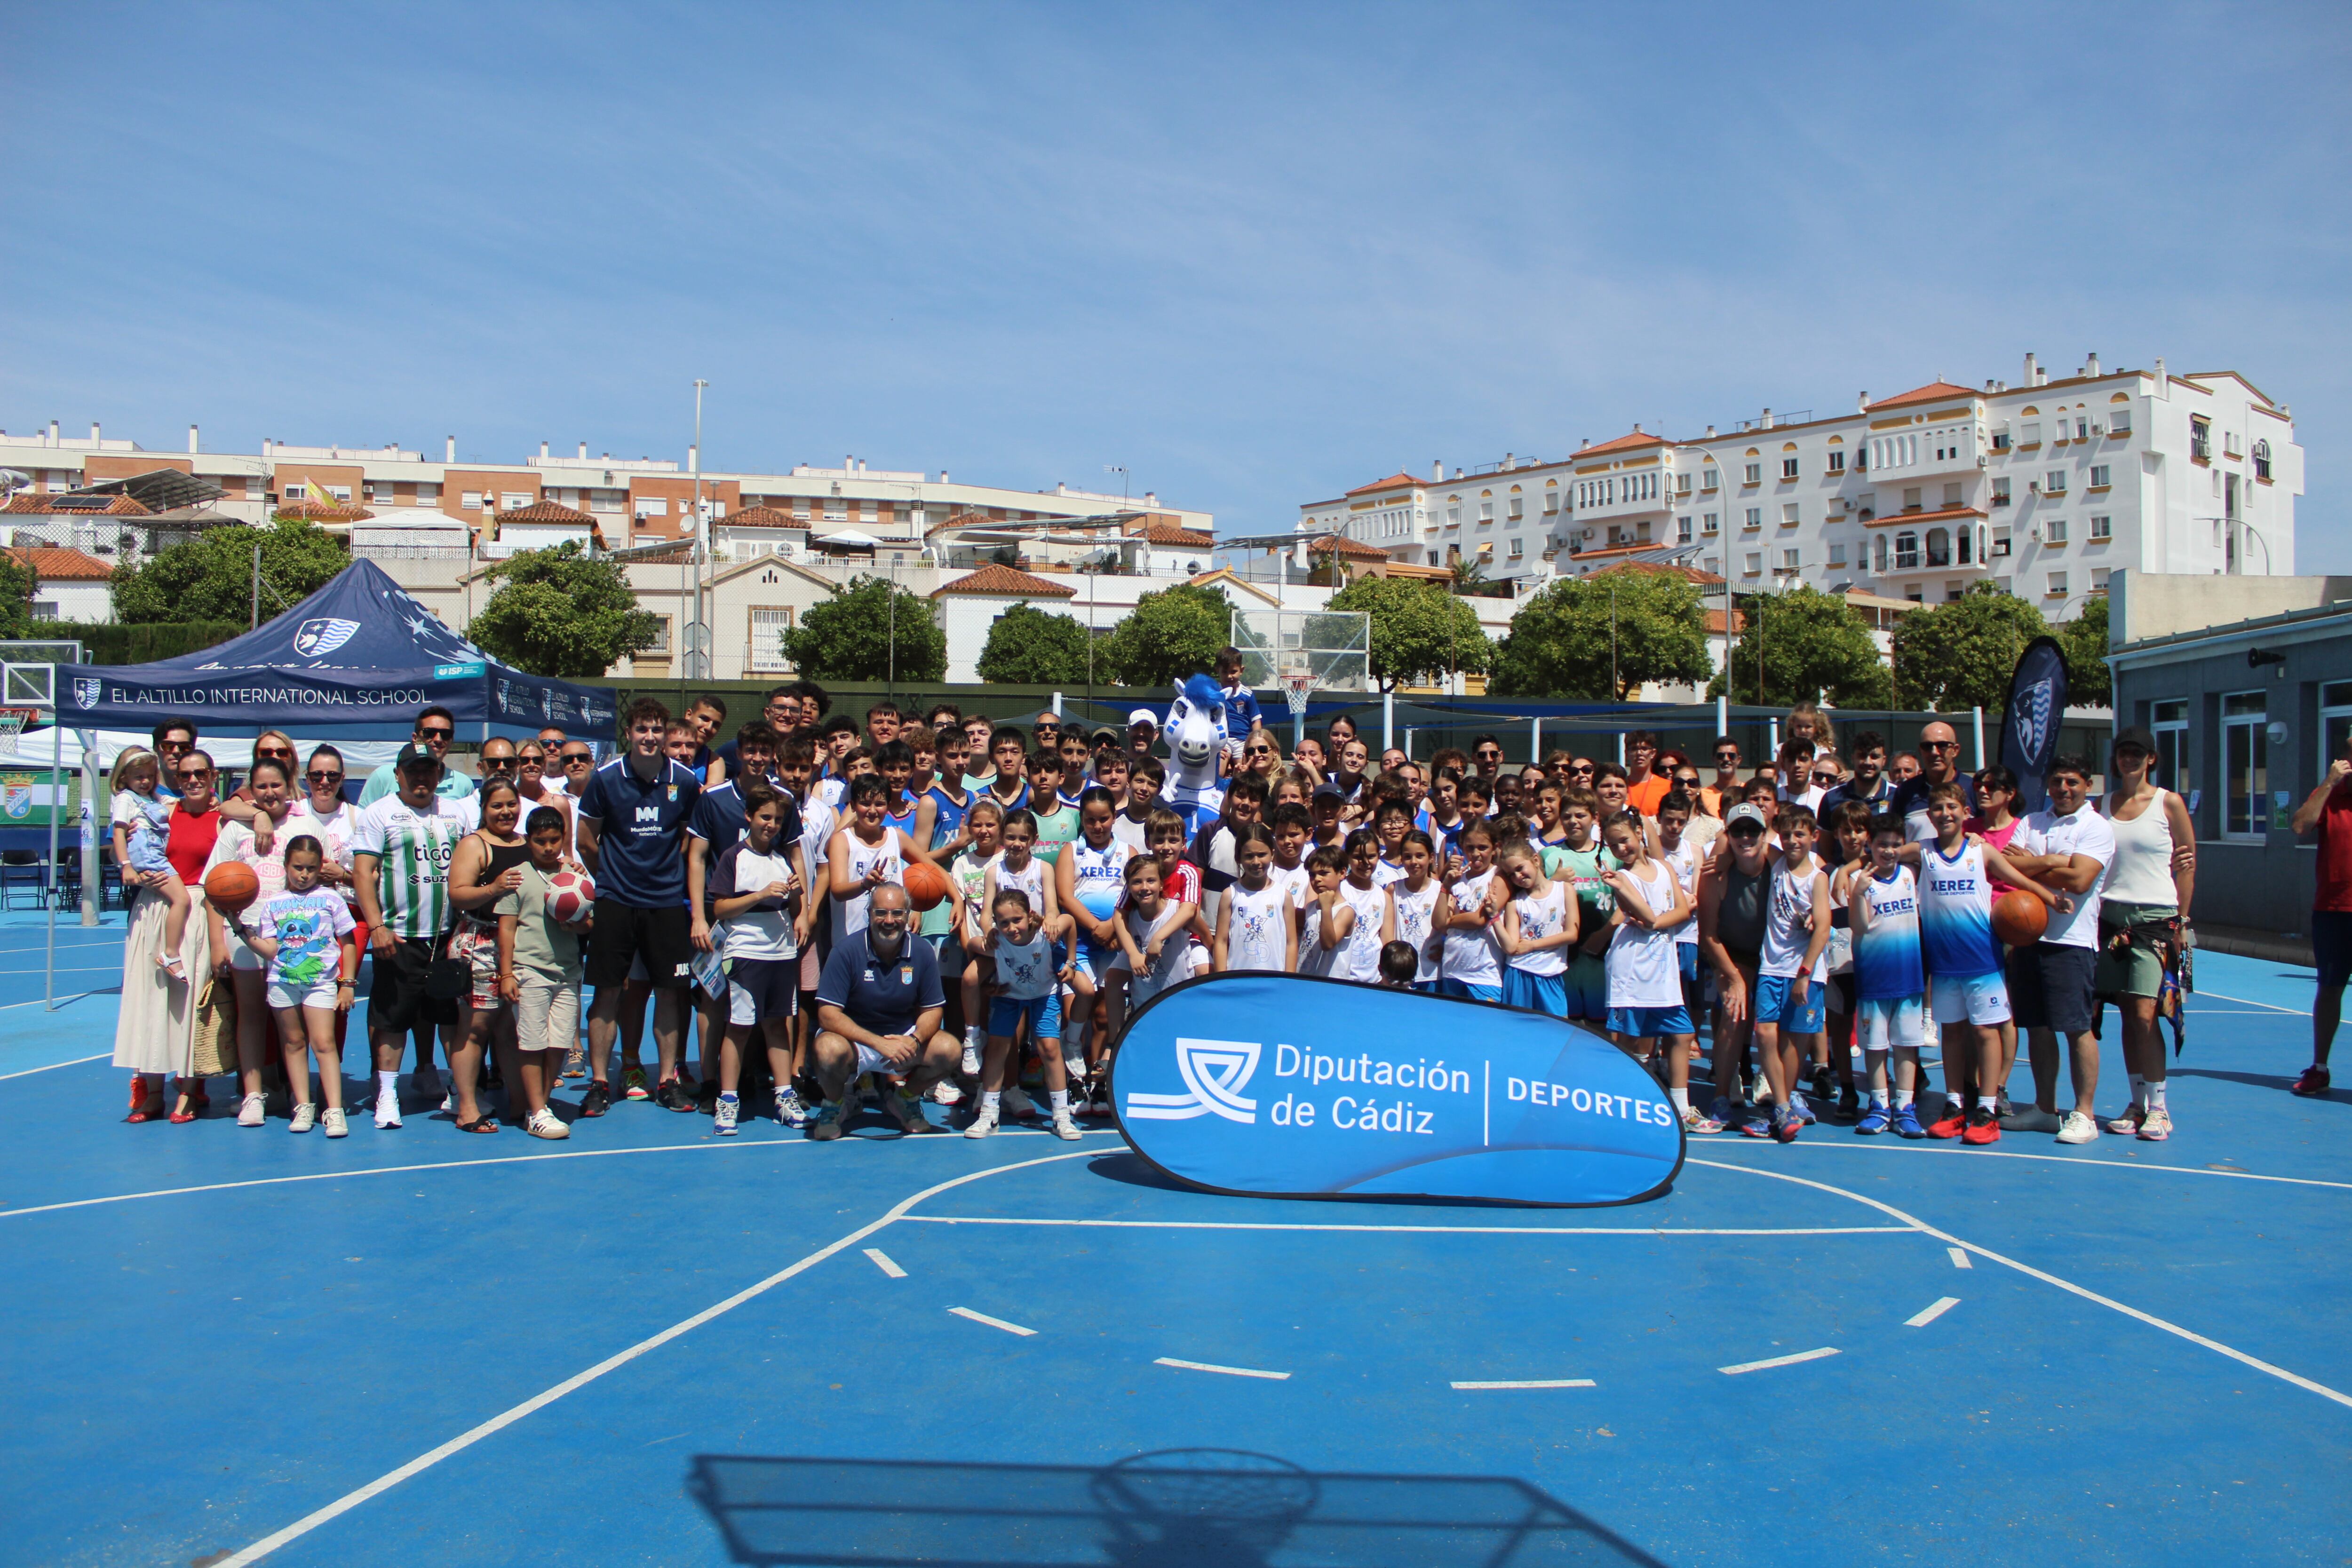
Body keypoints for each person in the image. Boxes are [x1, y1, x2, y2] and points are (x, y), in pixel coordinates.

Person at [576, 697, 705, 1115]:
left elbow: (692, 837)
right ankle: (599, 1082)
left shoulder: (683, 781)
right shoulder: (605, 779)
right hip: (616, 900)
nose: (649, 737)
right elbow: (585, 840)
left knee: (671, 992)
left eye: (656, 730)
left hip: (667, 902)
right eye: (641, 729)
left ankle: (667, 1079)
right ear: (628, 734)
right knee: (609, 991)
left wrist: (666, 870)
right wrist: (613, 876)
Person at [1919, 782, 2062, 1144]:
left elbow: (2018, 878)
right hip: (1945, 963)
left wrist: (2049, 898)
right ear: (1930, 816)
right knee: (1952, 1033)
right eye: (1938, 808)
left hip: (1982, 959)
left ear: (1966, 812)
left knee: (1986, 1031)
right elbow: (1883, 851)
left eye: (1952, 806)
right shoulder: (1922, 852)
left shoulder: (1980, 852)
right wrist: (1850, 868)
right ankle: (1954, 1105)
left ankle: (1987, 1107)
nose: (1945, 814)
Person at [1996, 757, 2117, 1143]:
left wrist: (2030, 867)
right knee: (2037, 1026)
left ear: (2088, 785)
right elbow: (2004, 866)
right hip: (2030, 939)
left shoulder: (2096, 827)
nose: (2063, 788)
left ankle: (2085, 1113)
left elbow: (2080, 880)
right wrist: (2051, 861)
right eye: (2056, 781)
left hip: (2072, 942)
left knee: (2077, 1028)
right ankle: (2046, 1109)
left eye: (2072, 781)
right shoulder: (2032, 821)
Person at [351, 743, 469, 1130]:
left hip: (448, 935)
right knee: (393, 1017)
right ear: (398, 774)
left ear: (439, 773)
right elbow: (363, 874)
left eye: (429, 770)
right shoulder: (379, 813)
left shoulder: (456, 812)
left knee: (452, 1017)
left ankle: (459, 1088)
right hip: (399, 935)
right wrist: (377, 926)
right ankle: (387, 1093)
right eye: (413, 771)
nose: (422, 777)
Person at [2093, 730, 2197, 1139]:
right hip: (2110, 919)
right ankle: (2137, 1103)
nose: (2129, 760)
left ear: (2151, 758)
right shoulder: (2100, 806)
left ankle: (2160, 1107)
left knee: (2145, 1013)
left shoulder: (2168, 802)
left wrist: (2182, 922)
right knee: (2125, 1014)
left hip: (2155, 920)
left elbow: (2186, 864)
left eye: (2137, 753)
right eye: (2123, 753)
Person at [224, 834, 359, 1138]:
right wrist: (241, 930)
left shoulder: (331, 898)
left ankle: (334, 1110)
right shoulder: (274, 903)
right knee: (293, 1043)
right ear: (286, 865)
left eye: (311, 868)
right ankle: (303, 1105)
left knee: (324, 1043)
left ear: (320, 867)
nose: (304, 874)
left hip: (321, 983)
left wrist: (348, 983)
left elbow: (348, 942)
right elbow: (272, 949)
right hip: (283, 983)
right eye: (298, 867)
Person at [113, 750, 221, 1123]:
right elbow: (131, 847)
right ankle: (153, 1092)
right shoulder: (162, 808)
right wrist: (132, 870)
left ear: (213, 776)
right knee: (152, 1001)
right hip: (152, 907)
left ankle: (189, 1091)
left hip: (195, 908)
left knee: (189, 1005)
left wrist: (254, 814)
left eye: (201, 773)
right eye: (186, 774)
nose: (193, 780)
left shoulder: (224, 817)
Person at [807, 884, 952, 1139]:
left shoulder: (922, 951)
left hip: (903, 1038)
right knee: (826, 1050)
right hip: (856, 1041)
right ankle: (834, 1105)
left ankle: (905, 1099)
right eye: (881, 913)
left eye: (897, 913)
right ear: (869, 914)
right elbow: (828, 1014)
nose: (889, 921)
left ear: (908, 915)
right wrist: (877, 1043)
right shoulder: (846, 950)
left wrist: (914, 1040)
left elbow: (933, 1010)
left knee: (949, 1050)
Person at [706, 785, 809, 1136]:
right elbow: (720, 908)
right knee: (739, 1026)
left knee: (777, 1024)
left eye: (778, 819)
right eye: (766, 817)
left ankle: (784, 1096)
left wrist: (796, 900)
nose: (772, 824)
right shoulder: (733, 857)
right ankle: (728, 1099)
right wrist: (761, 894)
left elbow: (795, 908)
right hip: (745, 950)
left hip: (781, 951)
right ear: (749, 817)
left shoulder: (783, 858)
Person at [204, 758, 300, 1126]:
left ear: (289, 785)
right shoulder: (234, 830)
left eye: (276, 785)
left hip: (292, 938)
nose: (269, 793)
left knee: (290, 1021)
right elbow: (213, 888)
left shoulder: (301, 824)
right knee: (250, 1016)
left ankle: (296, 1093)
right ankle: (253, 1094)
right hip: (243, 934)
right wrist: (217, 941)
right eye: (261, 787)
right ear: (251, 790)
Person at [496, 805, 588, 1139]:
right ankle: (536, 1110)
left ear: (564, 839)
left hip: (567, 973)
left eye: (554, 840)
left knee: (560, 1043)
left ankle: (542, 1103)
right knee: (533, 1043)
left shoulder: (576, 877)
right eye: (540, 841)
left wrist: (577, 922)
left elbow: (589, 924)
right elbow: (506, 929)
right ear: (528, 841)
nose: (548, 847)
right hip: (529, 970)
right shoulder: (518, 876)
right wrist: (507, 974)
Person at [445, 779, 531, 1132]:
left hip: (521, 943)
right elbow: (458, 894)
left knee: (510, 1029)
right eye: (497, 806)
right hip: (481, 942)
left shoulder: (527, 843)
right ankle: (466, 1106)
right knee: (476, 1027)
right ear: (484, 808)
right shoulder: (474, 844)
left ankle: (521, 1103)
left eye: (511, 804)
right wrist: (492, 889)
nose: (506, 812)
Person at [1743, 806, 1831, 1142]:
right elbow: (1743, 837)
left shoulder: (1817, 878)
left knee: (1793, 1044)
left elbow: (1823, 929)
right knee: (1765, 1032)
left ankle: (1784, 1106)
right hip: (1772, 965)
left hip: (1804, 971)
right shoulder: (1777, 861)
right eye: (1788, 833)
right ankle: (1782, 1106)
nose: (1793, 840)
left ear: (1814, 837)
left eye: (1801, 834)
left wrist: (1804, 974)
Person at [967, 888, 1081, 1140]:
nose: (1011, 928)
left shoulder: (1046, 932)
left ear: (1030, 916)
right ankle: (989, 1114)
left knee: (1050, 1049)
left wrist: (1071, 962)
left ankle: (1061, 1116)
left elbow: (1071, 922)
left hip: (1045, 993)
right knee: (997, 1049)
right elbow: (971, 945)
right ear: (996, 924)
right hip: (1009, 995)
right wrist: (987, 983)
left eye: (1016, 920)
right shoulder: (996, 941)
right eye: (1004, 922)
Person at [1840, 815, 1924, 1136]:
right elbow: (1859, 928)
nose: (1889, 850)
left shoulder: (1909, 875)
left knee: (1906, 1044)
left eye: (1895, 844)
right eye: (1882, 845)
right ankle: (1879, 1105)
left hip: (1909, 976)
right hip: (1874, 978)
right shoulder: (1861, 881)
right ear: (1869, 846)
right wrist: (1858, 893)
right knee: (1875, 1046)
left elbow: (1929, 848)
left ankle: (1905, 1106)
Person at [1699, 802, 1774, 1129]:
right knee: (1733, 1010)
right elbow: (1709, 936)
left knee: (1777, 1021)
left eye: (1752, 830)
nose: (1746, 837)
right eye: (1738, 831)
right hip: (1734, 954)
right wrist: (1734, 978)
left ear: (1764, 833)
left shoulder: (1780, 863)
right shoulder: (1715, 876)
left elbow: (1818, 872)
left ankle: (1778, 1092)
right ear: (1727, 836)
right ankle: (1721, 1094)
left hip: (1773, 955)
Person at [2292, 733, 2352, 1096]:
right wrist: (2329, 782)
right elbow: (2298, 826)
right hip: (2333, 910)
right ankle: (2320, 1067)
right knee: (2329, 989)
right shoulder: (2332, 797)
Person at [111, 747, 193, 979]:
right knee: (182, 899)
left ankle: (171, 951)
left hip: (154, 851)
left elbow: (179, 802)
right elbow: (119, 832)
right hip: (146, 853)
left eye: (150, 776)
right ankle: (170, 952)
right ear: (124, 777)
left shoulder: (155, 798)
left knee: (180, 899)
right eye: (139, 777)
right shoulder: (125, 799)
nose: (145, 781)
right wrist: (126, 864)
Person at [1496, 841, 1575, 1017]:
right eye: (1511, 874)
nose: (1518, 876)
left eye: (1520, 868)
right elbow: (1512, 946)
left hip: (1550, 974)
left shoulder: (1565, 890)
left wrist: (1533, 945)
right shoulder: (1515, 902)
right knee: (1516, 1032)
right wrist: (1493, 917)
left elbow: (1571, 934)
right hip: (1518, 973)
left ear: (1536, 860)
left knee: (1556, 1029)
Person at [1213, 822, 1295, 975]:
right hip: (1237, 981)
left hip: (1275, 981)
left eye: (1262, 855)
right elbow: (1221, 942)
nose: (1256, 862)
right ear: (1239, 857)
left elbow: (1291, 943)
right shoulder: (1230, 895)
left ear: (1272, 854)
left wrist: (1289, 980)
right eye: (1249, 856)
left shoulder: (1283, 896)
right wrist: (1221, 979)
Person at [360, 708, 477, 805]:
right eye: (430, 733)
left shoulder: (464, 785)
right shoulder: (383, 777)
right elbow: (362, 821)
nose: (438, 740)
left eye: (446, 734)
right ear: (415, 738)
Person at [1887, 721, 1972, 850]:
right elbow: (1892, 839)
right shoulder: (1906, 791)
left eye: (1942, 745)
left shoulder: (1974, 789)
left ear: (1955, 750)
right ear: (1920, 751)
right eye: (1927, 746)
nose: (1934, 752)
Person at [1383, 830, 1442, 992]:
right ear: (1401, 859)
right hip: (1400, 975)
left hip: (1432, 974)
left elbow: (1452, 927)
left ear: (1431, 858)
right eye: (1408, 857)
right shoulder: (1393, 889)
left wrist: (1445, 947)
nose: (1414, 862)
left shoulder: (1441, 890)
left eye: (1420, 856)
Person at [1820, 731, 1893, 816]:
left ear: (1884, 761)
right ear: (1853, 759)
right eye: (1862, 756)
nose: (1868, 762)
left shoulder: (1897, 796)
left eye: (1874, 757)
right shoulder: (1832, 798)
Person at [1623, 732, 1671, 817]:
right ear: (1627, 754)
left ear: (1653, 753)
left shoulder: (1668, 787)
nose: (1639, 754)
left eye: (1644, 749)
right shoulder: (1619, 787)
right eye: (1634, 749)